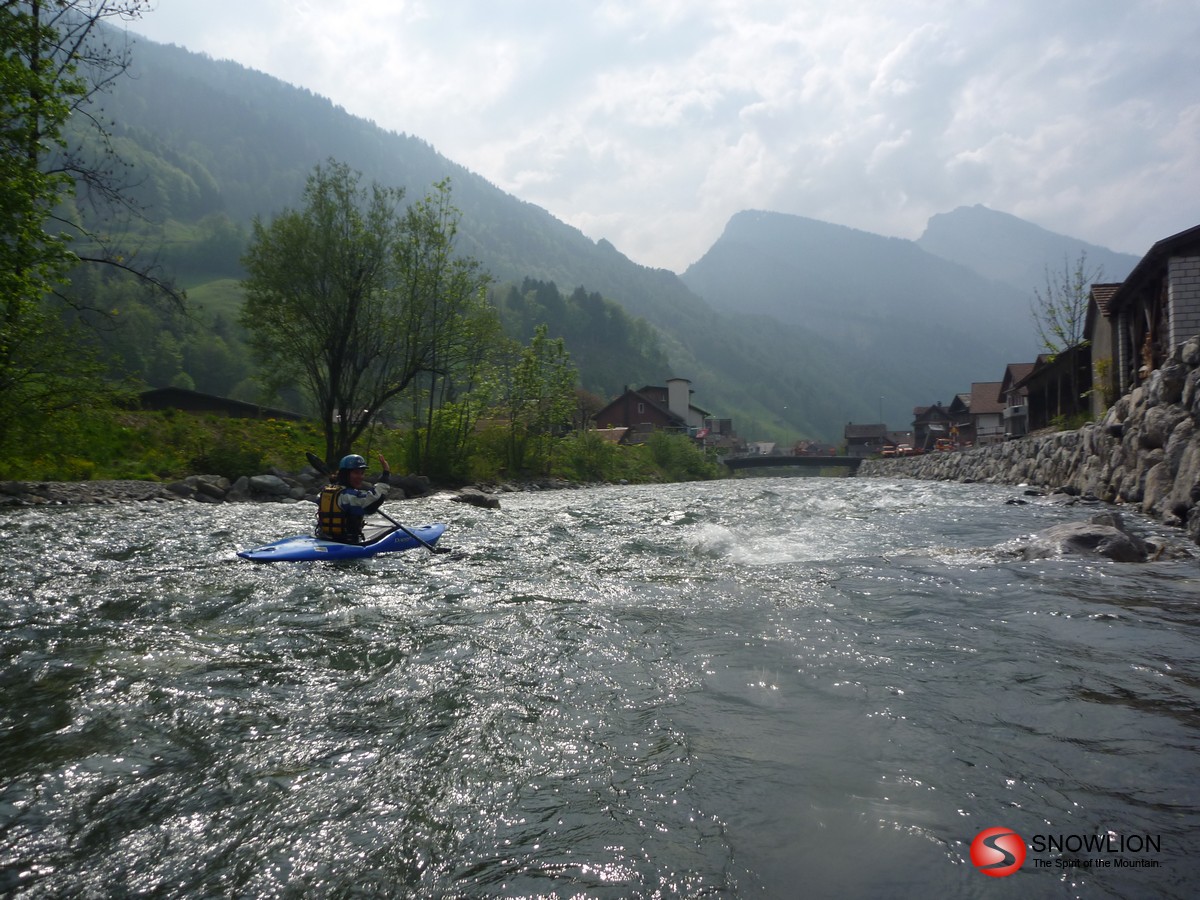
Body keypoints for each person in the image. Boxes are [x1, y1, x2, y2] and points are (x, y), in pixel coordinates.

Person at [315, 453, 391, 543]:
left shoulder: (324, 493)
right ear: (345, 474)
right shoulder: (350, 497)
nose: (361, 477)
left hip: (323, 538)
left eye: (362, 473)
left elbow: (323, 499)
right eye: (356, 473)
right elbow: (375, 498)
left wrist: (337, 481)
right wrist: (386, 474)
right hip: (346, 542)